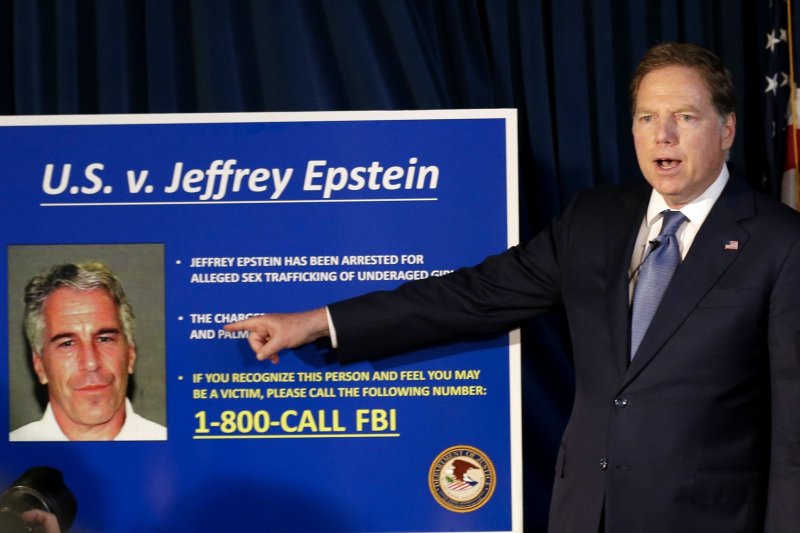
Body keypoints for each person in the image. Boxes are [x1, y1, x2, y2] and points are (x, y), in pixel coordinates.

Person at [224, 43, 800, 532]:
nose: (663, 134)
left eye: (685, 117)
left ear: (726, 129)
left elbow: (793, 430)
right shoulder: (596, 220)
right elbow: (476, 294)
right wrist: (319, 321)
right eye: (648, 118)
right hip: (585, 513)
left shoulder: (779, 242)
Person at [10, 262, 167, 442]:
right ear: (40, 367)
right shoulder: (8, 458)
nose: (91, 362)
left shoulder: (178, 450)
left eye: (104, 339)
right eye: (68, 343)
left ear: (130, 354)